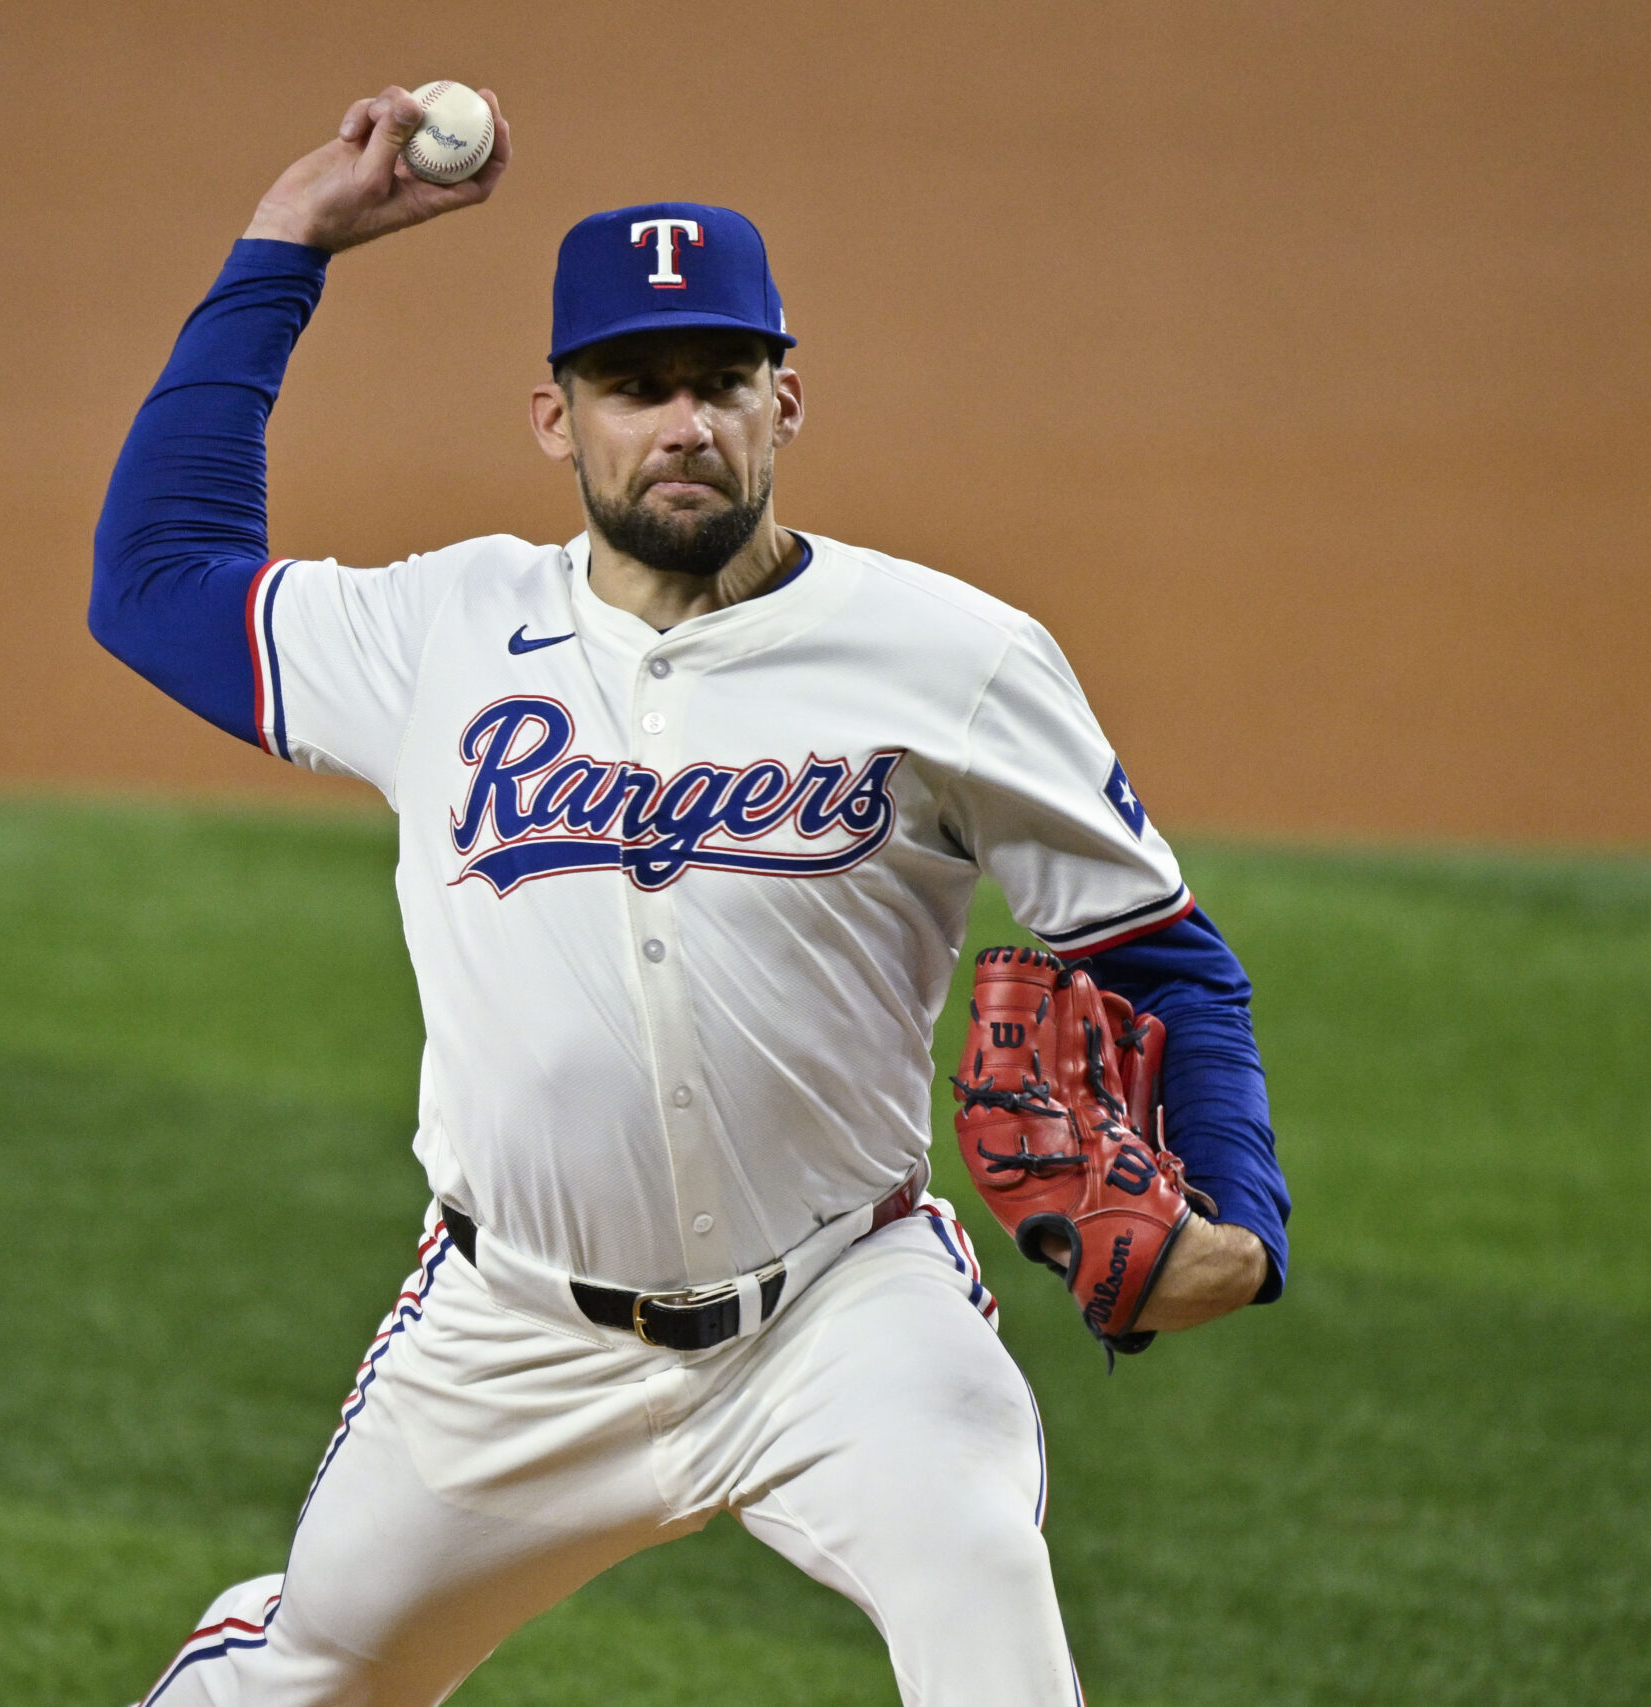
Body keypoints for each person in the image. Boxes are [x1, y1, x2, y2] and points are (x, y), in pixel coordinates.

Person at [90, 85, 1290, 1707]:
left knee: (988, 1603)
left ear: (786, 402)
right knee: (315, 1670)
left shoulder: (958, 659)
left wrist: (1241, 1222)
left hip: (843, 1315)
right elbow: (155, 583)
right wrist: (283, 246)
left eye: (719, 383)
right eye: (633, 387)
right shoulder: (441, 636)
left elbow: (1163, 958)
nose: (682, 424)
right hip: (511, 1336)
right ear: (554, 418)